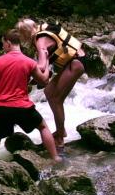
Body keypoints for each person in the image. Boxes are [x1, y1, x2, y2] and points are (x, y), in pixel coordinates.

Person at [0, 29, 62, 162]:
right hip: (22, 107)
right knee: (43, 127)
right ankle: (55, 158)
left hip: (0, 108)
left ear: (8, 43)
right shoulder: (29, 62)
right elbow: (44, 80)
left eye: (3, 44)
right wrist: (47, 61)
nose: (3, 47)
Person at [17, 19, 87, 151]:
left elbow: (42, 65)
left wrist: (25, 72)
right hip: (75, 62)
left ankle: (60, 136)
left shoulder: (40, 40)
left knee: (55, 98)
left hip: (76, 63)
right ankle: (61, 131)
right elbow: (48, 63)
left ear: (25, 34)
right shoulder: (44, 32)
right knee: (49, 92)